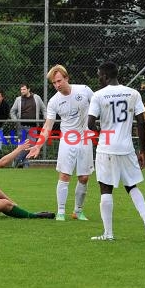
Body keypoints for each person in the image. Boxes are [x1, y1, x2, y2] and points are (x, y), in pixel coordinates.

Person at [87, 61, 145, 241]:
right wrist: (142, 150)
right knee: (132, 186)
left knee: (105, 188)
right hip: (126, 147)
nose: (98, 79)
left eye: (99, 76)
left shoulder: (98, 95)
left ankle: (108, 234)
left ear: (104, 76)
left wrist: (101, 133)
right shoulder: (133, 93)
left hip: (107, 146)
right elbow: (142, 122)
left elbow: (90, 123)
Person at [27, 65, 93, 222]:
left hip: (85, 138)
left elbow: (98, 106)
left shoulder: (84, 90)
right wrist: (38, 144)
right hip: (67, 140)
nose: (57, 85)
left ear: (66, 78)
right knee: (64, 175)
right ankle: (61, 212)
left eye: (59, 81)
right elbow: (48, 126)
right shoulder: (53, 101)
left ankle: (78, 211)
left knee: (84, 177)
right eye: (53, 83)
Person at [10, 84, 46, 168]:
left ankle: (16, 159)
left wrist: (46, 118)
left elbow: (44, 109)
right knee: (22, 146)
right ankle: (25, 165)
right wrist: (16, 121)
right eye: (21, 90)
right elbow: (12, 111)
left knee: (32, 145)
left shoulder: (36, 98)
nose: (22, 91)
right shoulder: (18, 99)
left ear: (28, 89)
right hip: (21, 127)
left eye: (24, 89)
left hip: (33, 127)